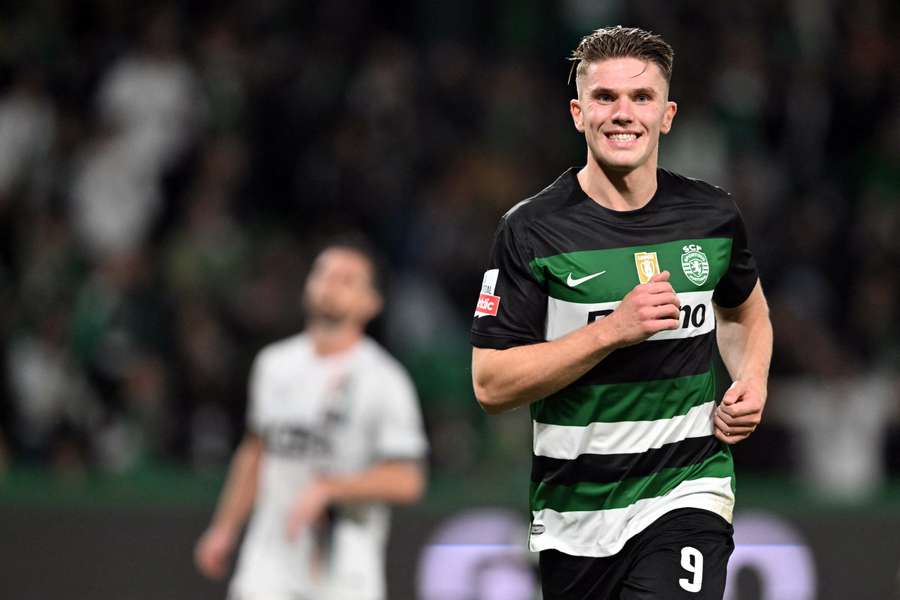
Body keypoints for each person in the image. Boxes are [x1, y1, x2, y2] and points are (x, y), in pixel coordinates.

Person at [470, 26, 772, 600]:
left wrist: (751, 378)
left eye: (642, 98)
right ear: (578, 113)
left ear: (668, 114)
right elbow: (491, 382)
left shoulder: (711, 216)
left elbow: (744, 312)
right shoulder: (531, 231)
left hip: (687, 488)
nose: (623, 114)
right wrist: (612, 331)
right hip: (575, 513)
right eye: (605, 98)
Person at [195, 240, 428, 600]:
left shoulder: (384, 379)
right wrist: (224, 529)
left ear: (371, 303)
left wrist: (331, 488)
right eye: (324, 273)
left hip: (344, 565)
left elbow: (408, 480)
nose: (332, 284)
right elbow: (255, 451)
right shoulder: (273, 364)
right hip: (270, 557)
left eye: (348, 279)